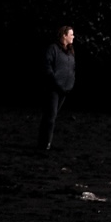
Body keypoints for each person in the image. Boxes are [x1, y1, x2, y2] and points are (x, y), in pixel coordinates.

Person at [37, 24, 75, 153]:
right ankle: (45, 143)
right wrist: (55, 82)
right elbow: (47, 67)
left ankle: (44, 142)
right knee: (50, 116)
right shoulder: (53, 49)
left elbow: (71, 69)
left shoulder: (70, 51)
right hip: (54, 88)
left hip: (64, 89)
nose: (73, 37)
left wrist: (70, 84)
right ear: (64, 36)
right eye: (71, 34)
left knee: (52, 115)